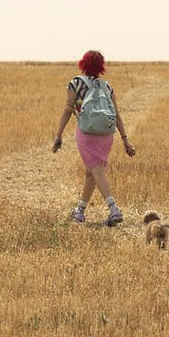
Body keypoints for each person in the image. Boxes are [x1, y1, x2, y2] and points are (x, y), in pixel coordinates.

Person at [52, 50, 136, 225]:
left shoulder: (76, 83)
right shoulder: (107, 86)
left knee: (96, 170)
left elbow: (68, 108)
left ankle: (114, 209)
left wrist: (59, 135)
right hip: (106, 135)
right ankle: (80, 211)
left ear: (83, 64)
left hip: (87, 134)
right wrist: (125, 140)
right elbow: (116, 115)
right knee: (91, 172)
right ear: (101, 67)